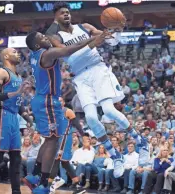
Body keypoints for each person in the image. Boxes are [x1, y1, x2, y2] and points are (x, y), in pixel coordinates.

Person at [45, 1, 134, 178]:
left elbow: (112, 41)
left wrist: (118, 29)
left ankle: (136, 143)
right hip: (80, 76)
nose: (66, 15)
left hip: (97, 68)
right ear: (56, 17)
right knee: (92, 118)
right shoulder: (56, 37)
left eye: (67, 12)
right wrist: (93, 42)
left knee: (109, 110)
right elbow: (69, 56)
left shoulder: (84, 27)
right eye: (62, 13)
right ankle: (115, 156)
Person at [23, 31, 108, 193]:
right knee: (53, 141)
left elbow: (61, 46)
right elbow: (69, 50)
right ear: (36, 45)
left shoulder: (36, 55)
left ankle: (34, 175)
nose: (46, 38)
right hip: (48, 101)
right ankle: (42, 184)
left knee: (49, 140)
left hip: (41, 99)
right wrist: (93, 39)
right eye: (42, 37)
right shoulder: (47, 53)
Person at [0, 48, 33, 194]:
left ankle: (16, 191)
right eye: (14, 52)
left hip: (14, 118)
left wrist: (28, 118)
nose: (18, 54)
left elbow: (18, 101)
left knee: (16, 158)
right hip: (1, 115)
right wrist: (16, 92)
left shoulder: (18, 77)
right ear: (6, 56)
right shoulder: (1, 73)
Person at [49, 97, 85, 194]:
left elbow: (77, 124)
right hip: (56, 138)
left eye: (60, 100)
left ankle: (48, 186)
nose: (58, 102)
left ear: (64, 103)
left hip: (64, 138)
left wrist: (84, 136)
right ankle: (78, 186)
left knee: (55, 161)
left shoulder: (67, 111)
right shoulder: (53, 112)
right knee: (65, 163)